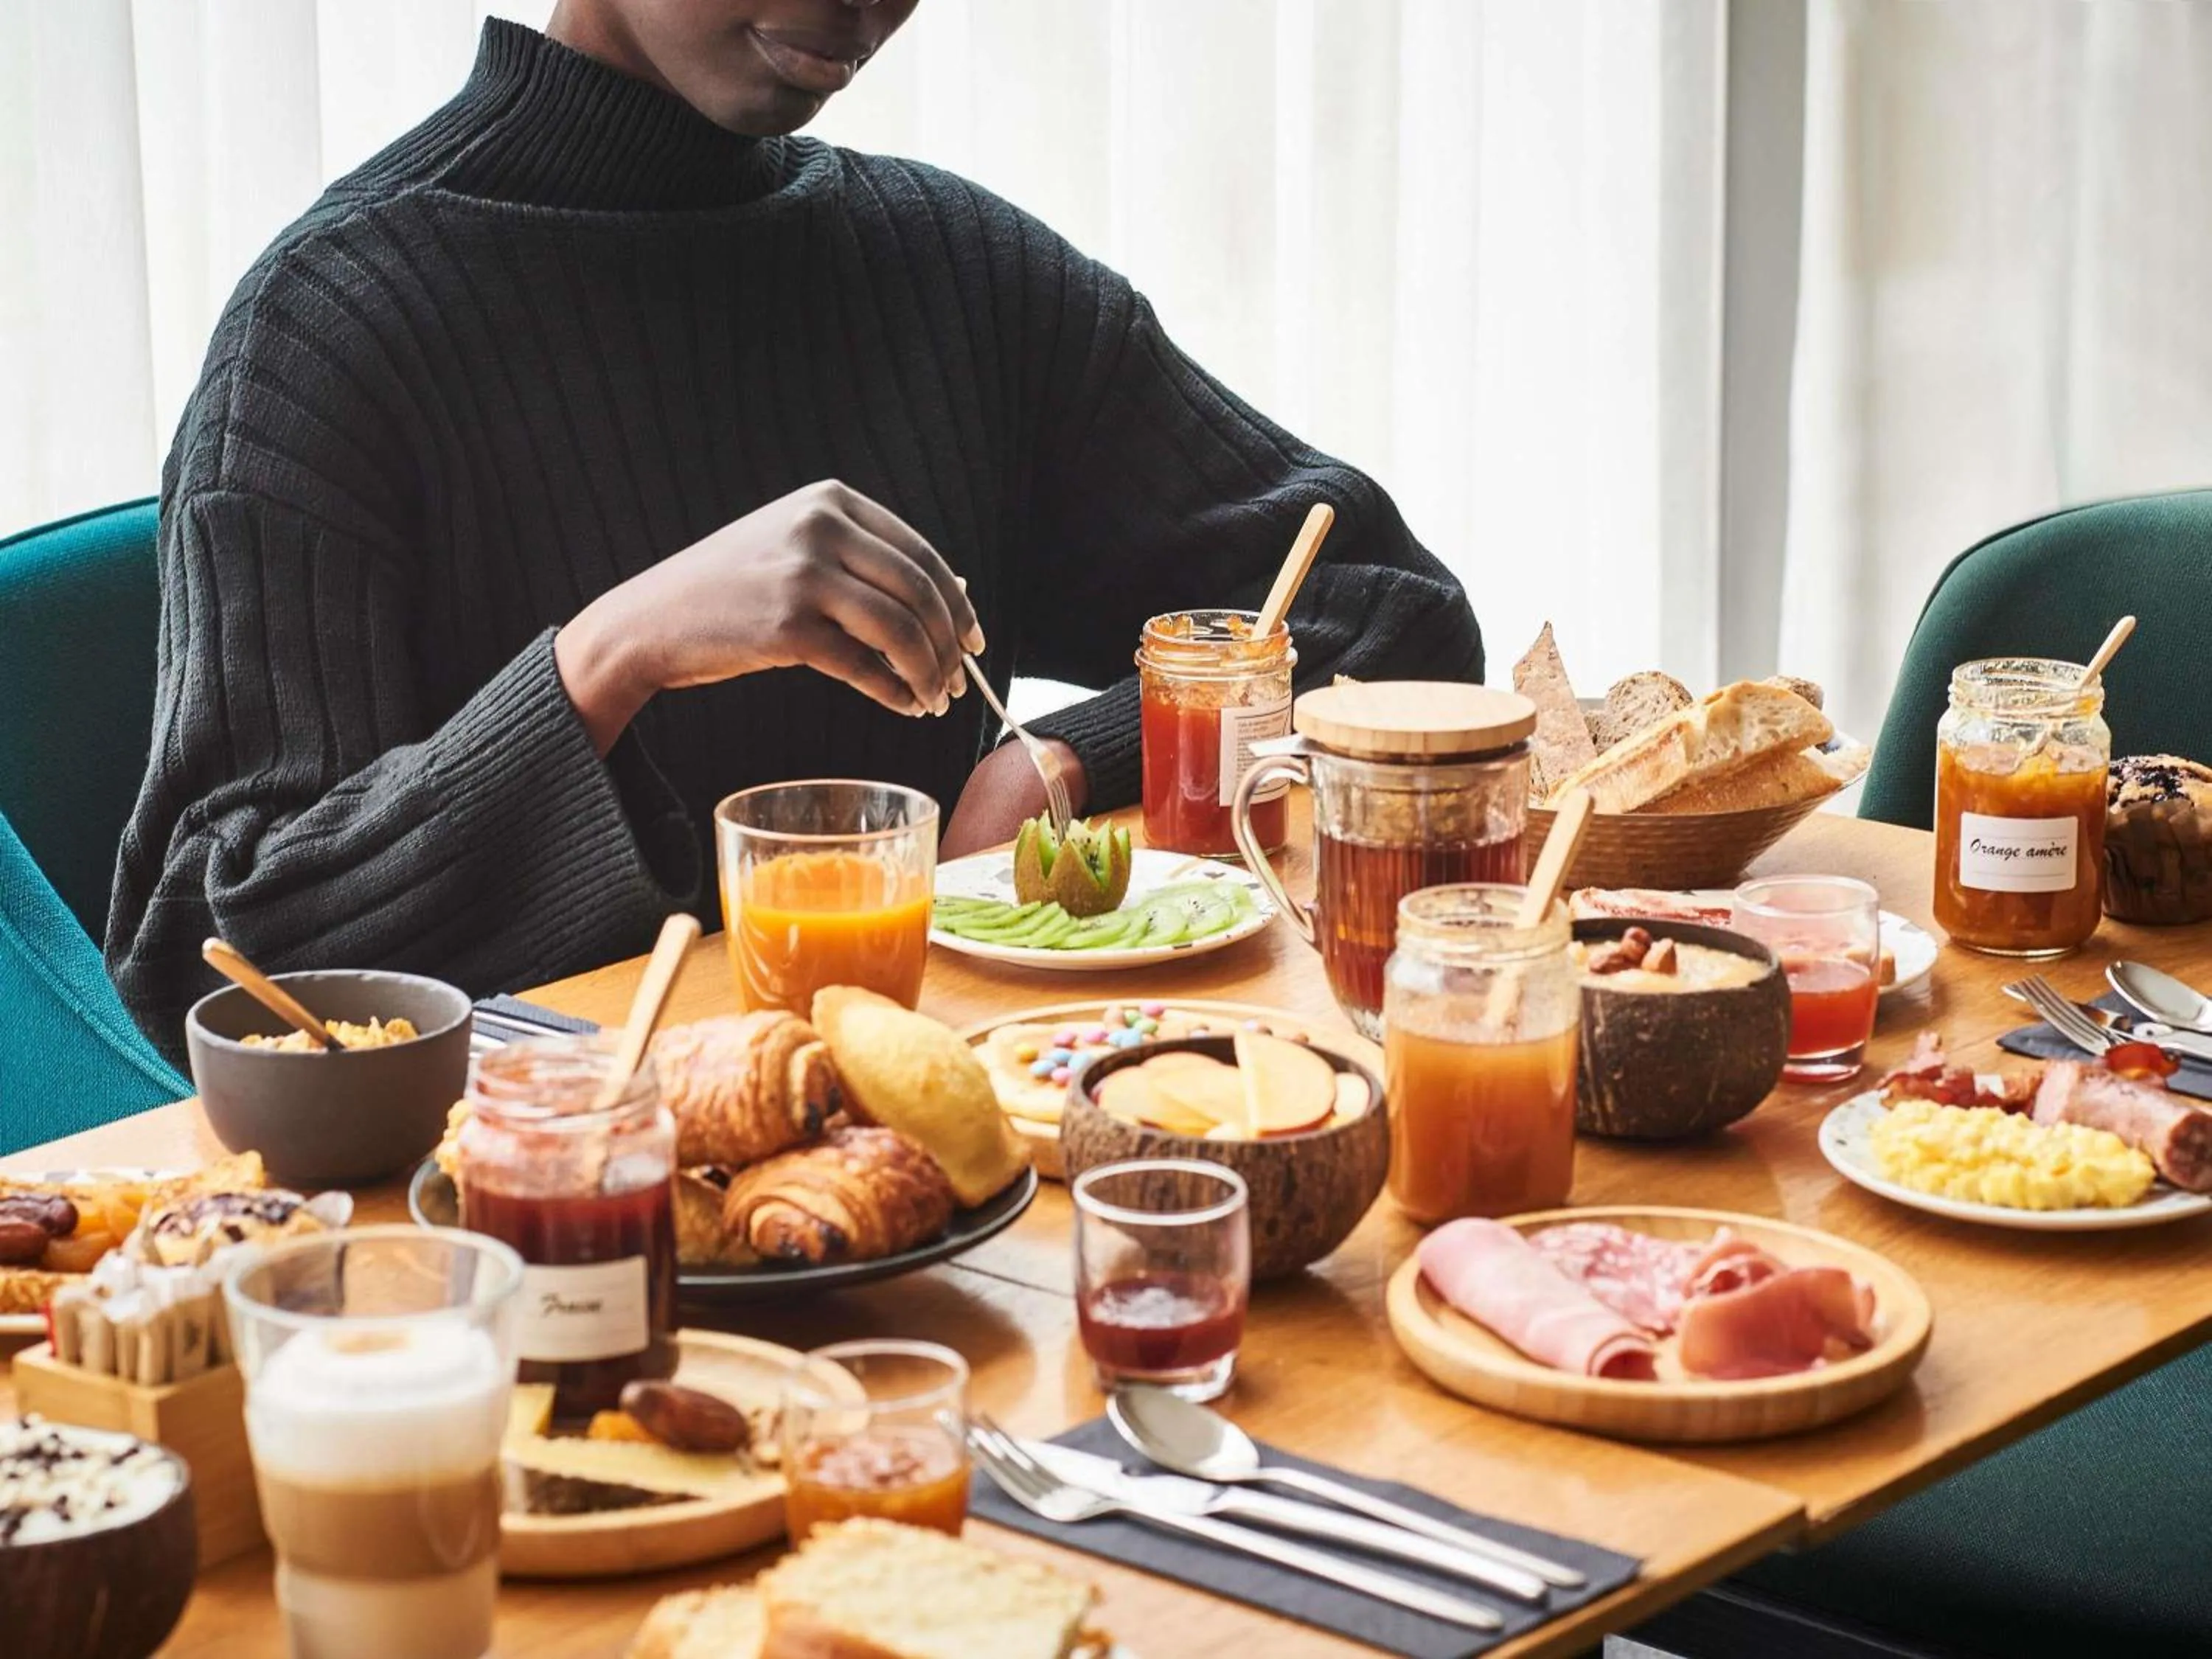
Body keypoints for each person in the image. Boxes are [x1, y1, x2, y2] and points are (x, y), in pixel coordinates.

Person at [108, 0, 1484, 1054]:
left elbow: (1391, 612)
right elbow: (204, 965)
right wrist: (613, 655)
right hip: (525, 1266)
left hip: (966, 1204)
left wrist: (1071, 754)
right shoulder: (323, 333)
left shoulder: (956, 275)